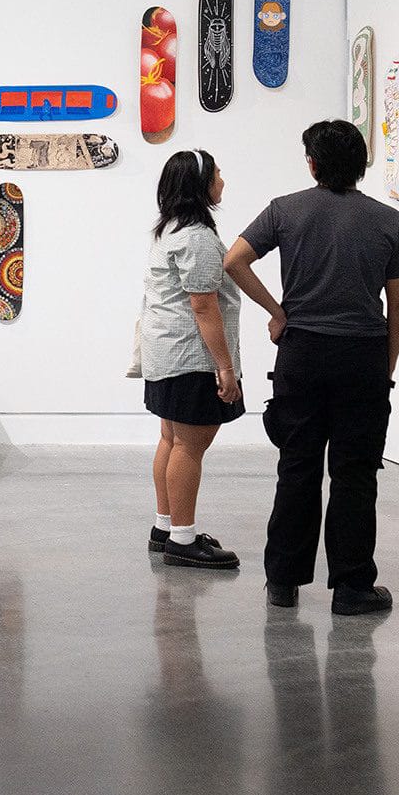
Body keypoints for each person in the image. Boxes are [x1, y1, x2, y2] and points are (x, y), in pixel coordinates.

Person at [225, 120, 399, 616]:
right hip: (363, 356)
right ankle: (352, 588)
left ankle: (283, 583)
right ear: (362, 165)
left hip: (302, 354)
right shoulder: (388, 220)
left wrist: (277, 311)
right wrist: (385, 365)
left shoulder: (285, 210)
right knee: (355, 475)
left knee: (297, 468)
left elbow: (234, 261)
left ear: (312, 163)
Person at [139, 149, 245, 570]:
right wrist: (226, 367)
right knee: (190, 444)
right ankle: (183, 540)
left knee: (171, 438)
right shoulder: (197, 237)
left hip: (166, 352)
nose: (223, 180)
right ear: (200, 186)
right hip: (190, 357)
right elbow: (204, 306)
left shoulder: (169, 230)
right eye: (217, 174)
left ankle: (166, 528)